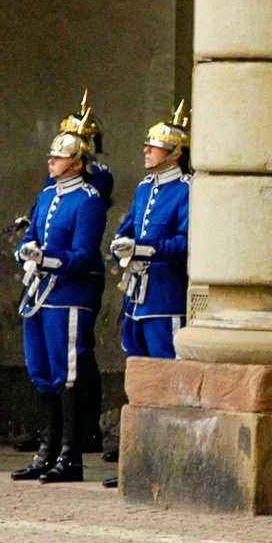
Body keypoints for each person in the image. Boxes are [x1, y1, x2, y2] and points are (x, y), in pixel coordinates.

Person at [15, 111, 107, 484]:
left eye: (58, 157)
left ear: (77, 163)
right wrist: (27, 250)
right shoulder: (47, 194)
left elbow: (84, 254)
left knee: (67, 374)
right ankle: (47, 450)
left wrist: (49, 259)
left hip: (68, 294)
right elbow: (33, 232)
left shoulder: (88, 199)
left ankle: (70, 456)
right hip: (40, 291)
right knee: (42, 372)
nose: (50, 163)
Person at [110, 102, 191, 362]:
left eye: (154, 146)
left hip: (166, 297)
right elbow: (127, 229)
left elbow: (185, 242)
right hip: (136, 295)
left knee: (166, 365)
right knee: (137, 364)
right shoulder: (144, 188)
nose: (146, 150)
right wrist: (121, 246)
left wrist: (143, 249)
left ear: (175, 152)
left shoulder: (186, 188)